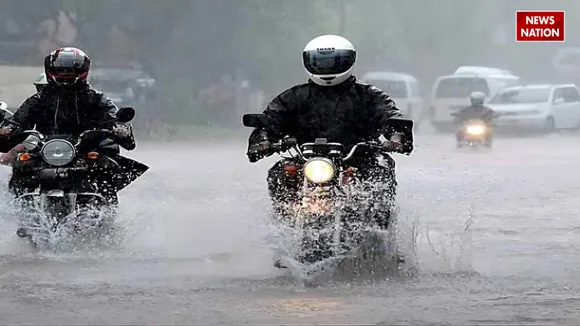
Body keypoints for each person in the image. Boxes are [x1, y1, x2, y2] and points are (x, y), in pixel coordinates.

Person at [246, 34, 414, 229]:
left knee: (381, 167)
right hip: (306, 160)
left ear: (349, 61)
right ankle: (285, 222)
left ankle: (379, 231)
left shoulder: (368, 95)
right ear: (308, 61)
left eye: (335, 62)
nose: (327, 67)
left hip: (357, 158)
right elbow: (271, 119)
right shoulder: (293, 97)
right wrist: (263, 138)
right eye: (320, 62)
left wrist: (396, 136)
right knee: (280, 172)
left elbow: (390, 115)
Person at [0, 47, 136, 217]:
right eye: (61, 69)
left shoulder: (95, 98)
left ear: (82, 70)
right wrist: (8, 129)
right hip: (46, 150)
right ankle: (23, 213)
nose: (66, 73)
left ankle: (105, 213)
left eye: (70, 69)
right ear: (51, 69)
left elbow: (111, 117)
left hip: (85, 149)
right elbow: (19, 120)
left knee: (106, 165)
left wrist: (119, 128)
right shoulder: (39, 99)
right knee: (22, 163)